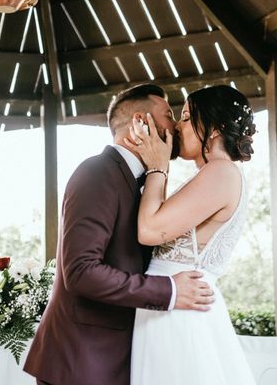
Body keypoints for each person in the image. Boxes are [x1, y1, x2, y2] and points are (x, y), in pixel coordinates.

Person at [23, 84, 214, 385]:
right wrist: (169, 291)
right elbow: (82, 271)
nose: (176, 125)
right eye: (168, 115)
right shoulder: (97, 172)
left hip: (116, 358)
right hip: (82, 362)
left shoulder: (143, 180)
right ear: (140, 123)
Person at [125, 85, 257, 385]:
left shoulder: (221, 172)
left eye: (185, 117)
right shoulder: (214, 174)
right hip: (171, 307)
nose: (177, 126)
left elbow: (148, 231)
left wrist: (157, 167)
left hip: (181, 314)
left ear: (215, 129)